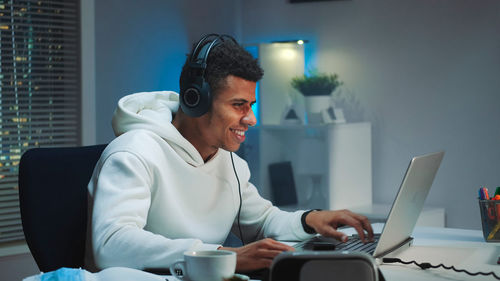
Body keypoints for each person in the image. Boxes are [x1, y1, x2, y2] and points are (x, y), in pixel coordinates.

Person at [85, 34, 373, 273]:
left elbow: (261, 222)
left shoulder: (229, 162)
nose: (251, 119)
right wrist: (220, 255)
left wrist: (310, 219)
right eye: (239, 105)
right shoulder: (134, 153)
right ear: (195, 100)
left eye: (251, 105)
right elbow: (111, 245)